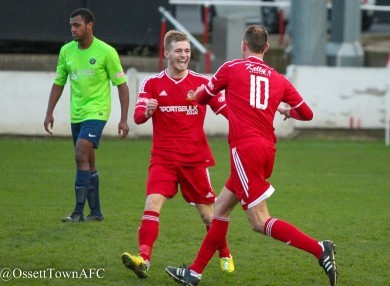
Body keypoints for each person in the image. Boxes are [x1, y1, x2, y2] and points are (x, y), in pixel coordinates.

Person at [165, 25, 338, 286]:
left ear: (243, 45)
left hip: (245, 150)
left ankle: (319, 249)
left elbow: (204, 96)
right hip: (266, 150)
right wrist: (286, 111)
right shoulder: (279, 79)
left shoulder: (231, 68)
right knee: (220, 209)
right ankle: (194, 273)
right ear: (266, 48)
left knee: (259, 221)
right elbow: (307, 114)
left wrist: (194, 94)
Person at [121, 30, 234, 279]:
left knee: (208, 216)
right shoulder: (151, 84)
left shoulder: (202, 83)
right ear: (166, 53)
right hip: (163, 158)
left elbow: (223, 108)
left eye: (187, 51)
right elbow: (138, 117)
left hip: (194, 159)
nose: (184, 55)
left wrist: (246, 121)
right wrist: (148, 111)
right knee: (152, 204)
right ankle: (144, 259)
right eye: (179, 51)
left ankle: (224, 252)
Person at [43, 8, 129, 223]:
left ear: (90, 25)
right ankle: (96, 213)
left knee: (80, 153)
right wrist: (49, 112)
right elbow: (59, 83)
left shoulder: (106, 52)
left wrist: (124, 119)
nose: (73, 29)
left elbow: (122, 85)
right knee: (88, 162)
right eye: (71, 25)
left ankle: (77, 212)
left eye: (77, 25)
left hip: (97, 111)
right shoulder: (66, 51)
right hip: (77, 114)